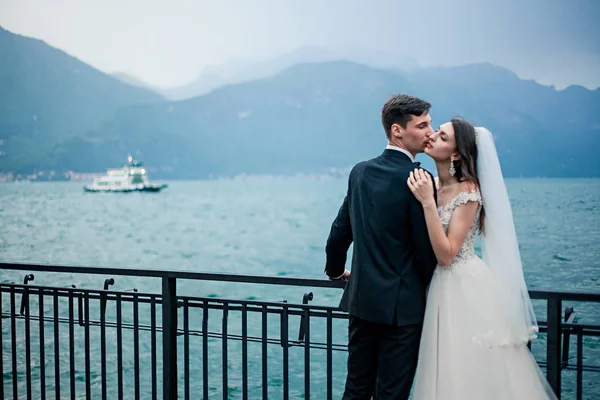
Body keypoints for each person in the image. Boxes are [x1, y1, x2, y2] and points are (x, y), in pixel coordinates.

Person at [407, 118, 557, 399]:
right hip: (437, 287)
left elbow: (447, 254)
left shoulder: (469, 192)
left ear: (456, 153)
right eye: (435, 131)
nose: (432, 136)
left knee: (470, 367)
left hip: (464, 287)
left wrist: (428, 203)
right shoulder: (431, 183)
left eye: (442, 136)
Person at [325, 94, 438, 399]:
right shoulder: (419, 178)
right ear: (397, 130)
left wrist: (335, 272)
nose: (431, 131)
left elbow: (339, 232)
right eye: (423, 124)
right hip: (403, 311)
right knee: (392, 394)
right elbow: (424, 252)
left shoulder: (359, 172)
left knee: (356, 389)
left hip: (361, 302)